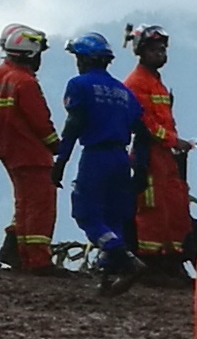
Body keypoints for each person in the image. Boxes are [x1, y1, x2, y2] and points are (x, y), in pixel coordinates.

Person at [58, 32, 146, 286]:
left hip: (96, 157)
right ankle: (108, 275)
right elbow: (143, 132)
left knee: (86, 214)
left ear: (85, 60)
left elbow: (74, 125)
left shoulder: (80, 85)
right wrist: (141, 169)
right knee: (114, 216)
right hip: (121, 159)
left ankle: (124, 258)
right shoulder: (124, 92)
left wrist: (60, 162)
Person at [123, 22, 196, 281]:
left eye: (162, 49)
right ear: (141, 51)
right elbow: (146, 125)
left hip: (166, 156)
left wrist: (177, 145)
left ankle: (172, 259)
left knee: (174, 207)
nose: (160, 54)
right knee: (151, 208)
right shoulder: (136, 83)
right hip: (148, 154)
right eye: (154, 50)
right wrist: (175, 141)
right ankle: (151, 263)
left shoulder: (157, 83)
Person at [0, 25, 58, 269]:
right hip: (33, 153)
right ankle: (37, 259)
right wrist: (55, 144)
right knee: (40, 206)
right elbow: (40, 120)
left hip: (10, 151)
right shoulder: (25, 82)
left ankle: (17, 254)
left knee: (24, 204)